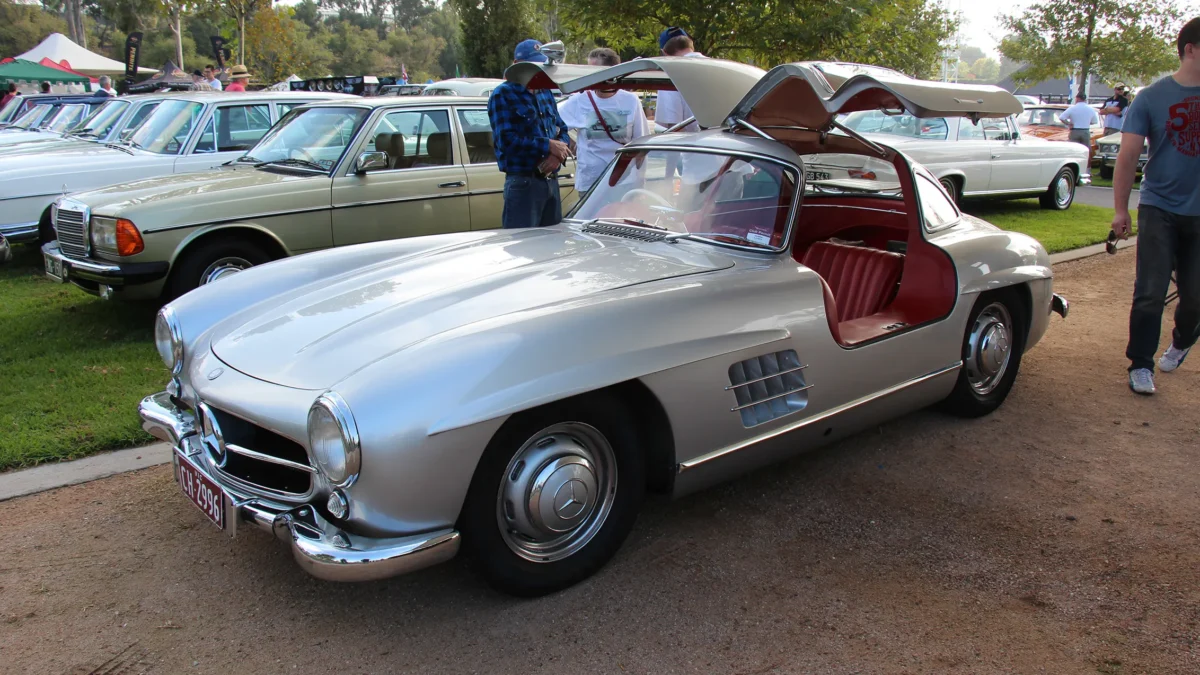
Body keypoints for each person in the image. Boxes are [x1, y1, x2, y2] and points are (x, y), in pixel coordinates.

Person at [1113, 17, 1200, 395]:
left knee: (1195, 297)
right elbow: (1128, 156)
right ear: (1190, 50)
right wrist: (1120, 210)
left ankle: (1181, 340)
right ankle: (1141, 364)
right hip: (1158, 206)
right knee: (1150, 290)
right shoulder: (1151, 97)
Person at [487, 39, 572, 229]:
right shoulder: (503, 94)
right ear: (517, 65)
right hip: (523, 182)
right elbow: (506, 140)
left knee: (553, 243)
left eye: (541, 64)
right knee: (522, 245)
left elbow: (562, 129)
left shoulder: (545, 92)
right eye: (532, 65)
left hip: (551, 180)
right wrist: (548, 145)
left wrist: (557, 155)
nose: (538, 70)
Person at [557, 48, 650, 193]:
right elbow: (553, 125)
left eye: (595, 72)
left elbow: (641, 145)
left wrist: (640, 183)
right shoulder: (580, 100)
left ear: (612, 73)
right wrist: (570, 144)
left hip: (623, 182)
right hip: (590, 183)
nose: (590, 77)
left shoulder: (630, 101)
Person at [1059, 93, 1100, 161]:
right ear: (1085, 99)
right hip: (1085, 130)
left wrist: (1069, 123)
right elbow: (1094, 121)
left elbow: (1062, 117)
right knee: (1086, 150)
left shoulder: (1072, 108)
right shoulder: (1090, 109)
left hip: (1075, 130)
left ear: (1077, 98)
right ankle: (1087, 166)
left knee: (1073, 149)